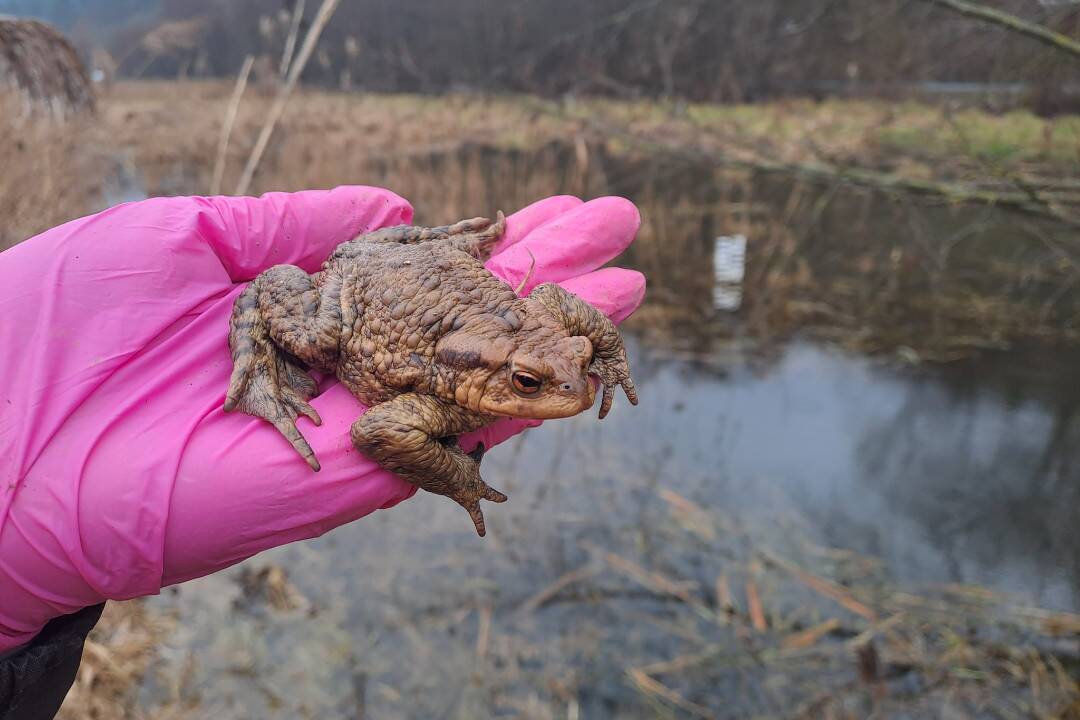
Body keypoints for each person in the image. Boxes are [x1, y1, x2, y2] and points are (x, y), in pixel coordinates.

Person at [0, 187, 646, 720]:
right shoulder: (444, 397)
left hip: (435, 281)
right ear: (493, 381)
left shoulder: (544, 324)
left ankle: (459, 266)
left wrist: (603, 351)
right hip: (365, 296)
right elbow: (376, 432)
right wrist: (458, 476)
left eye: (578, 369)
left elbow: (560, 302)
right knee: (313, 334)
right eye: (530, 385)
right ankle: (256, 367)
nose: (575, 388)